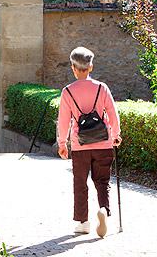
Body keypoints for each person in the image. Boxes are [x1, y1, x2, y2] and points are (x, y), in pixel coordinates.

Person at [57, 46, 121, 238]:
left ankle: (83, 223)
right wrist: (116, 134)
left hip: (80, 145)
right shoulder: (102, 88)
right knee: (103, 181)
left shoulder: (68, 92)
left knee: (80, 183)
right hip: (103, 142)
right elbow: (112, 112)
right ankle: (103, 209)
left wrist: (62, 143)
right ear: (90, 67)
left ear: (73, 68)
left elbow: (63, 120)